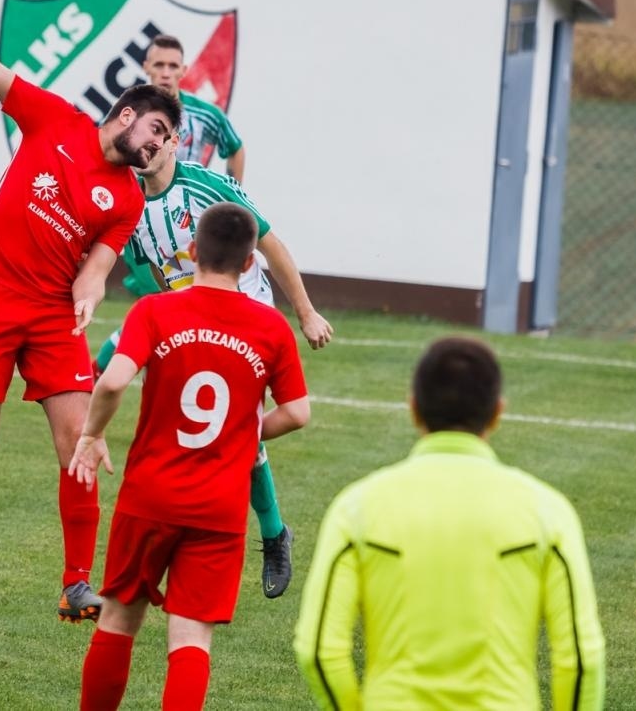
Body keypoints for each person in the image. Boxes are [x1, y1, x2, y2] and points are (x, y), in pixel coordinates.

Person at [0, 0, 182, 647]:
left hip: (54, 313)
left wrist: (88, 294)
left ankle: (75, 584)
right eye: (155, 131)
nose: (155, 148)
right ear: (126, 113)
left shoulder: (124, 196)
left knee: (80, 442)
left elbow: (99, 262)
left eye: (165, 142)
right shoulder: (53, 118)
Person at [70, 203, 312, 711]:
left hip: (150, 496)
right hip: (219, 508)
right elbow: (298, 413)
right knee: (191, 639)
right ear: (250, 265)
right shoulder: (270, 329)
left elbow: (113, 379)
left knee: (118, 621)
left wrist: (91, 435)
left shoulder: (156, 311)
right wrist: (244, 435)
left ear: (193, 251)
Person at [294, 337, 606, 711]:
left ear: (414, 410)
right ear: (496, 413)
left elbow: (317, 649)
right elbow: (580, 658)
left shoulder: (357, 508)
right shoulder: (547, 512)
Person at [94, 134, 332, 598]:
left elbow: (270, 244)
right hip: (191, 321)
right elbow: (150, 277)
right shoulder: (129, 206)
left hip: (246, 314)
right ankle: (265, 531)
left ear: (173, 141)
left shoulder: (208, 186)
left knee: (236, 429)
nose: (143, 146)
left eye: (155, 136)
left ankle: (271, 533)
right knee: (202, 425)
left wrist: (305, 312)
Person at [140, 34, 245, 182]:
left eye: (173, 66)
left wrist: (232, 196)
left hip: (188, 202)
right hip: (141, 202)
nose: (166, 73)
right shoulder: (129, 112)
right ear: (146, 67)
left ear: (183, 70)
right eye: (159, 65)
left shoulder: (204, 113)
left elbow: (235, 149)